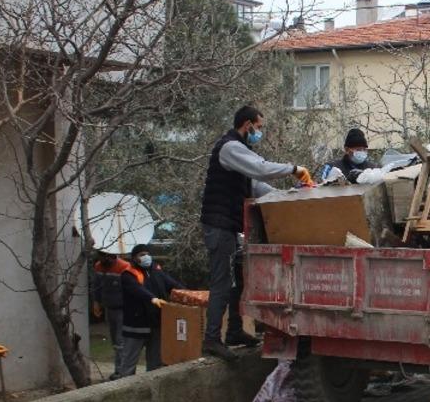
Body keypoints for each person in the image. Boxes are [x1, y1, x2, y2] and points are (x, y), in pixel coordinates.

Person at [201, 105, 311, 360]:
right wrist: (293, 168)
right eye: (259, 128)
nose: (259, 133)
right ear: (247, 124)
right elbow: (260, 169)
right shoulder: (230, 147)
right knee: (221, 283)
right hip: (218, 227)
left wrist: (287, 196)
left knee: (238, 278)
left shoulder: (239, 150)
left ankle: (235, 331)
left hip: (227, 226)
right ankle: (211, 339)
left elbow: (255, 184)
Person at [120, 244, 183, 375]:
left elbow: (172, 285)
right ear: (134, 258)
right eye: (141, 255)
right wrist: (152, 298)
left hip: (156, 323)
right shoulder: (128, 274)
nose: (146, 257)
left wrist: (188, 294)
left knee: (155, 362)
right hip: (136, 325)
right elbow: (137, 289)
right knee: (129, 362)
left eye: (147, 254)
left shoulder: (156, 270)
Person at [91, 250, 131, 379]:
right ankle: (119, 369)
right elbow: (96, 286)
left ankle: (121, 371)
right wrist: (96, 302)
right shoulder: (98, 266)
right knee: (115, 340)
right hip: (109, 308)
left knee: (121, 341)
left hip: (123, 309)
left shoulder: (124, 267)